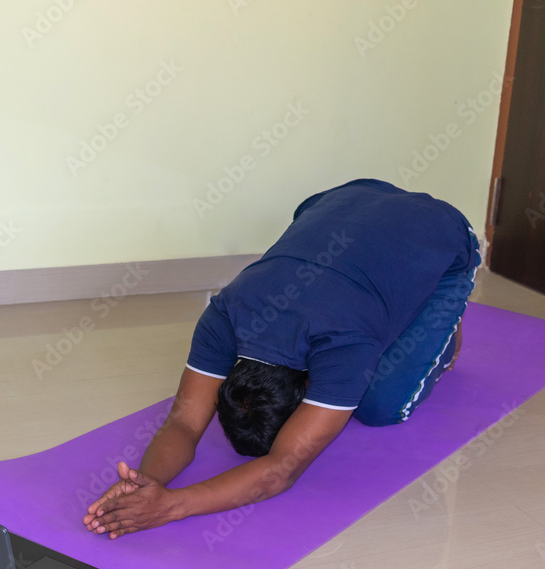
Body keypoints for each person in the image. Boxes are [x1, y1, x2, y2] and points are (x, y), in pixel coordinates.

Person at [83, 179, 480, 538]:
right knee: (363, 363)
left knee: (380, 406)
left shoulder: (343, 346)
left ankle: (443, 314)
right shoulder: (225, 315)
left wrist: (172, 507)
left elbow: (282, 470)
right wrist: (145, 483)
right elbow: (185, 422)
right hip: (336, 200)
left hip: (439, 231)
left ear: (309, 384)